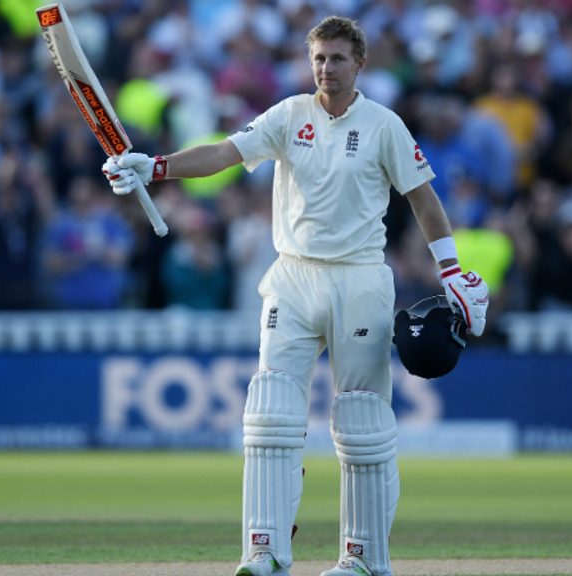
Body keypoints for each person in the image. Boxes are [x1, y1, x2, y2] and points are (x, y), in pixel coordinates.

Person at [102, 15, 488, 576]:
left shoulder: (384, 125)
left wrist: (450, 269)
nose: (326, 69)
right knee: (270, 414)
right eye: (318, 59)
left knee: (360, 421)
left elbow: (423, 201)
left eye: (337, 59)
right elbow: (223, 155)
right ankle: (264, 550)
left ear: (360, 64)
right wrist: (155, 166)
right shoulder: (288, 115)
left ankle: (363, 559)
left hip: (359, 277)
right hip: (293, 276)